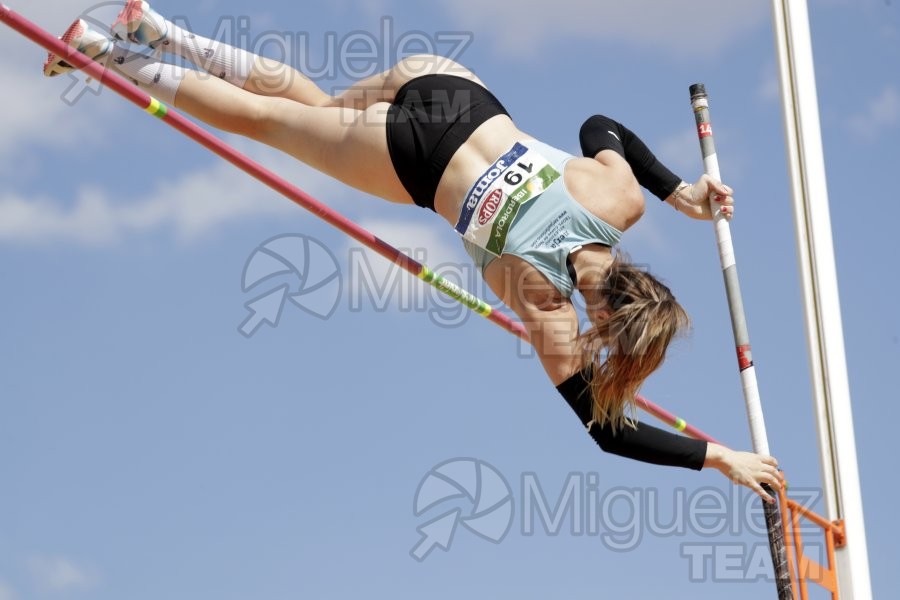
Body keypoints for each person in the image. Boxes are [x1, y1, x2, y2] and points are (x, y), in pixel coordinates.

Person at [45, 1, 782, 501]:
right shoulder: (547, 308)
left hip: (451, 87)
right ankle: (103, 54)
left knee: (315, 106)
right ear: (606, 327)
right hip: (411, 159)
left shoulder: (616, 199)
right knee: (268, 123)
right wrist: (716, 457)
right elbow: (604, 430)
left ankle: (155, 27)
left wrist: (676, 191)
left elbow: (599, 124)